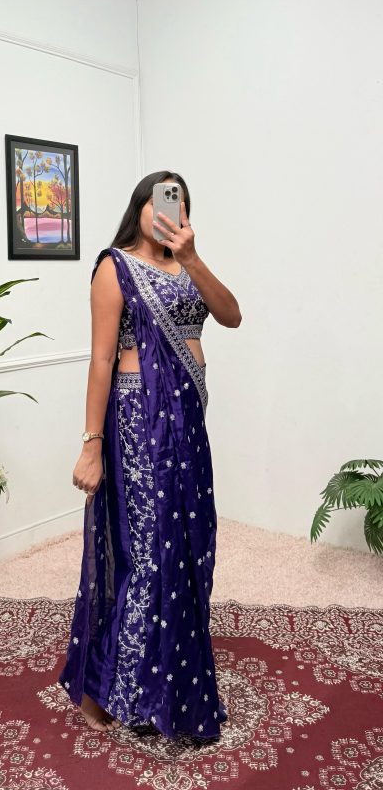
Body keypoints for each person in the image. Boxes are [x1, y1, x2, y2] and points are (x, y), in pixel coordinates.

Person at [58, 170, 242, 740]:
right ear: (140, 206)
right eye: (161, 200)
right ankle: (108, 687)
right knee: (148, 552)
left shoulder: (188, 265)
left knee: (190, 545)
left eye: (179, 202)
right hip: (140, 421)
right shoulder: (115, 267)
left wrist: (192, 257)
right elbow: (100, 360)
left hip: (188, 422)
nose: (168, 210)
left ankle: (165, 686)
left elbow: (231, 315)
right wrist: (91, 446)